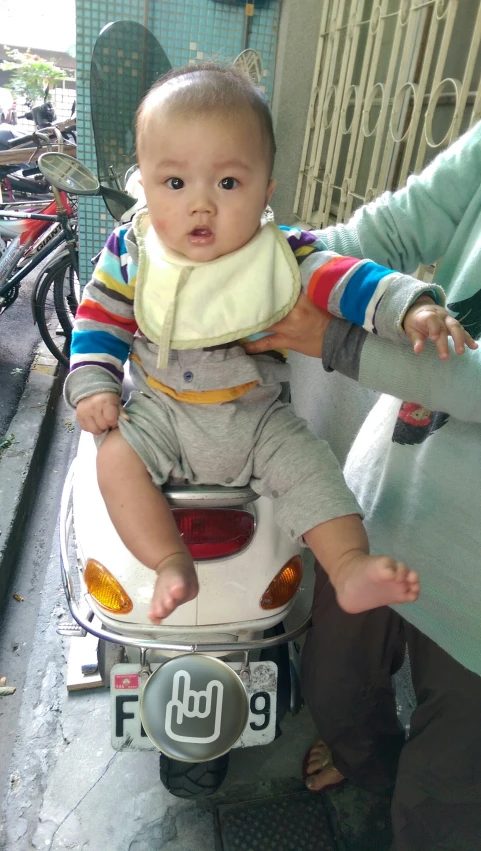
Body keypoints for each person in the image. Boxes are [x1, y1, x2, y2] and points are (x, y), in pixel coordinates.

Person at [65, 64, 470, 627]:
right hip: (161, 413)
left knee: (315, 472)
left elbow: (352, 279)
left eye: (228, 183)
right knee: (114, 461)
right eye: (175, 183)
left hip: (257, 420)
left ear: (266, 191)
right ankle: (169, 561)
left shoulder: (283, 253)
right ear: (146, 183)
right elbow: (100, 316)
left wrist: (408, 307)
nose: (200, 205)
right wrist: (92, 380)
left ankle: (348, 565)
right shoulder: (133, 250)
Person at [246, 121, 481, 850]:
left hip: (473, 577)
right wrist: (265, 254)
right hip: (383, 501)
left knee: (441, 802)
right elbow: (384, 228)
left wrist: (333, 336)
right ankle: (366, 763)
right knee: (336, 685)